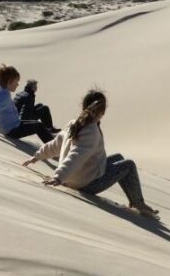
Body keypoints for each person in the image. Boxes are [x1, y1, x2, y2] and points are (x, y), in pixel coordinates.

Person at [22, 89, 158, 217]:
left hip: (75, 176)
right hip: (85, 184)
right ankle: (139, 204)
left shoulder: (74, 124)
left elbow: (56, 145)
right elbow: (77, 155)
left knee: (118, 157)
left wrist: (36, 156)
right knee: (128, 165)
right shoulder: (91, 131)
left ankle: (135, 201)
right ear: (101, 113)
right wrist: (59, 177)